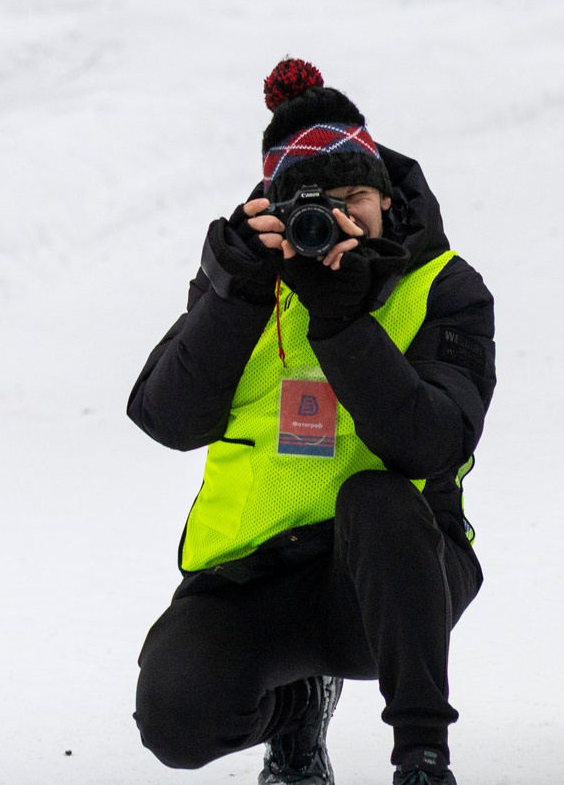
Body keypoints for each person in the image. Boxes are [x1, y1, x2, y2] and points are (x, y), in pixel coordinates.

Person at [129, 60, 494, 785]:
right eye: (317, 206)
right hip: (255, 573)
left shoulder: (443, 286)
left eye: (356, 198)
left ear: (386, 197)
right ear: (276, 210)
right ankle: (296, 711)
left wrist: (344, 323)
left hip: (394, 577)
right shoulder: (246, 281)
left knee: (378, 498)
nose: (341, 221)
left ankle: (421, 754)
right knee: (176, 718)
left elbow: (433, 441)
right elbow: (165, 419)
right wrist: (233, 294)